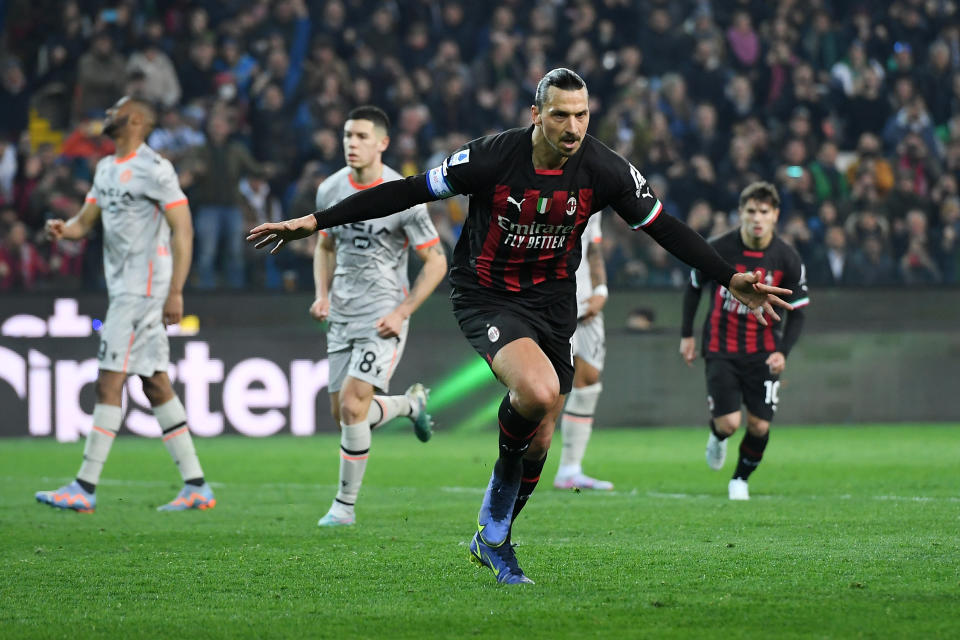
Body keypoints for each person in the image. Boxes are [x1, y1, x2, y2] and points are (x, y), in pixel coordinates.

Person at [248, 69, 791, 584]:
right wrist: (316, 221)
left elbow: (664, 227)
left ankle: (494, 534)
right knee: (537, 390)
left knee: (541, 435)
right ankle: (494, 524)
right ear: (536, 113)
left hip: (553, 304)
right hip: (486, 295)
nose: (573, 127)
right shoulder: (491, 157)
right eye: (560, 115)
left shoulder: (606, 170)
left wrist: (725, 276)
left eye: (581, 115)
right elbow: (408, 190)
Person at [36, 97, 214, 513]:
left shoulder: (155, 169)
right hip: (126, 290)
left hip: (143, 291)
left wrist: (176, 291)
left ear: (134, 120)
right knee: (155, 383)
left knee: (108, 382)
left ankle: (84, 486)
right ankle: (197, 486)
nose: (106, 114)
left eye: (113, 109)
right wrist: (64, 230)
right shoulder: (106, 169)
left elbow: (182, 228)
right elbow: (85, 221)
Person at [309, 106, 447, 527]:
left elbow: (436, 261)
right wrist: (321, 295)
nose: (352, 143)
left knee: (353, 406)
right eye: (348, 135)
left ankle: (343, 508)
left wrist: (403, 311)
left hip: (383, 314)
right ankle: (409, 404)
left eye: (362, 136)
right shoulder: (330, 189)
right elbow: (325, 246)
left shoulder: (404, 195)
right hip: (343, 315)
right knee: (344, 415)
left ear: (382, 143)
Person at [679, 181, 809, 501]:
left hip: (763, 351)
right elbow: (694, 286)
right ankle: (717, 436)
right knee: (727, 424)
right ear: (740, 213)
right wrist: (686, 335)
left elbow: (798, 311)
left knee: (760, 426)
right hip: (721, 347)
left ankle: (740, 479)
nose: (757, 218)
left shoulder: (787, 258)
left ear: (775, 215)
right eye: (750, 211)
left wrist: (783, 351)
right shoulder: (719, 248)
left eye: (764, 211)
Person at [552, 213, 613, 491]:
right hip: (549, 303)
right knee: (546, 388)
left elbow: (593, 247)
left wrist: (600, 289)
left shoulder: (593, 196)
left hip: (586, 304)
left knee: (587, 381)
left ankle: (570, 469)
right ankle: (518, 466)